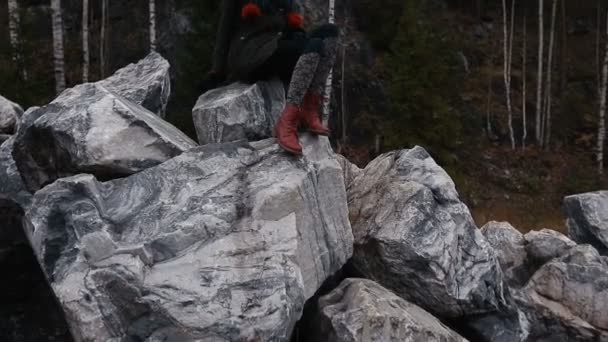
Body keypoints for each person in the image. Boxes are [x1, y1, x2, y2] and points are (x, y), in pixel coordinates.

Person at [210, 0, 339, 155]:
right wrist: (217, 72)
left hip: (277, 47)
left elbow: (290, 29)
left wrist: (299, 36)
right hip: (251, 55)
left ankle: (309, 106)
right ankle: (288, 120)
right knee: (311, 45)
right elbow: (224, 32)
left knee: (329, 34)